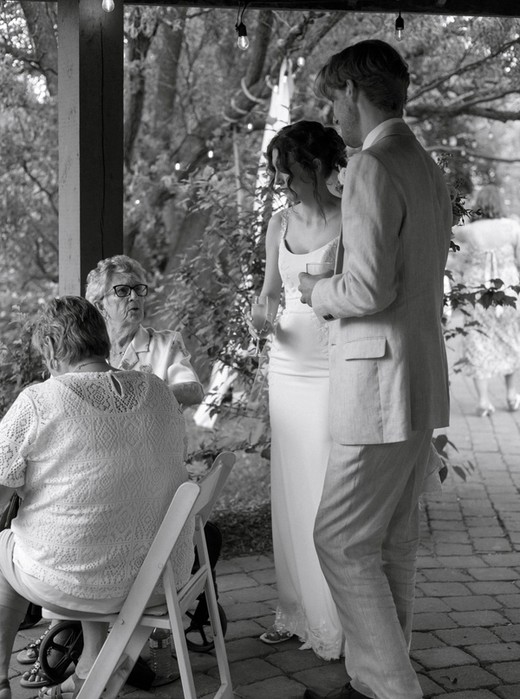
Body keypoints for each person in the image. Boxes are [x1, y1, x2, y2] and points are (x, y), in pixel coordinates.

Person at [298, 40, 452, 699]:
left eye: (334, 98)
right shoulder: (427, 167)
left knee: (336, 536)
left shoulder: (369, 167)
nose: (332, 113)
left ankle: (392, 686)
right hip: (418, 375)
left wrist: (314, 293)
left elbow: (365, 292)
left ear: (356, 93)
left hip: (377, 383)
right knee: (389, 540)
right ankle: (371, 678)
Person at [0, 296, 194, 699]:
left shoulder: (39, 401)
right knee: (101, 514)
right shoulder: (157, 390)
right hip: (163, 577)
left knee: (4, 551)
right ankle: (90, 664)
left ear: (52, 350)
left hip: (82, 580)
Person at [250, 121, 346, 659]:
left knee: (325, 489)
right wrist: (260, 317)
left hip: (333, 366)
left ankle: (335, 616)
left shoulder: (351, 219)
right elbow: (269, 294)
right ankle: (295, 609)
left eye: (289, 170)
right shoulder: (278, 222)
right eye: (278, 172)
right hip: (286, 365)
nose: (282, 181)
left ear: (316, 166)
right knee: (289, 488)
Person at [85, 254, 204, 408]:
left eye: (138, 289)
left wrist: (139, 396)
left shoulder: (166, 344)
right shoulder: (86, 349)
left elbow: (194, 391)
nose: (134, 296)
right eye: (122, 291)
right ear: (100, 306)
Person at [451, 184, 520, 415]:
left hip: (477, 293)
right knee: (511, 339)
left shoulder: (469, 232)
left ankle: (483, 401)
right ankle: (511, 396)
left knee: (477, 339)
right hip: (508, 292)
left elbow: (459, 262)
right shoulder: (513, 227)